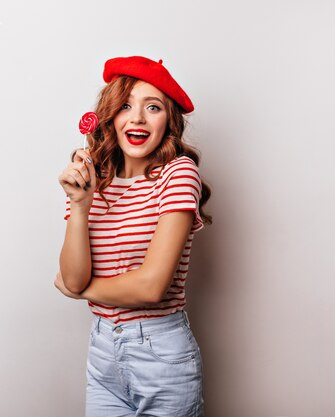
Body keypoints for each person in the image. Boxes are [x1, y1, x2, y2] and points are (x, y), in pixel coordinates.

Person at [55, 55, 211, 417]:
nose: (137, 117)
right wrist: (80, 204)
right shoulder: (95, 180)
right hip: (102, 352)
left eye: (152, 107)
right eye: (125, 105)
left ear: (167, 121)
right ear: (110, 116)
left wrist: (79, 290)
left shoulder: (178, 174)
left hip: (160, 355)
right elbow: (74, 275)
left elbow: (151, 288)